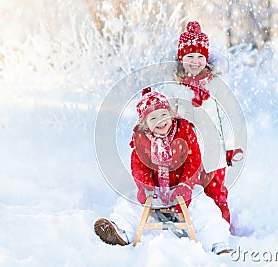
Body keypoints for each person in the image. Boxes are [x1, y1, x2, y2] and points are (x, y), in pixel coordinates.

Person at [94, 88, 233, 254]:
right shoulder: (142, 139)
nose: (160, 121)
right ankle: (121, 230)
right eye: (153, 118)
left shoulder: (184, 131)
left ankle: (217, 242)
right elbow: (138, 166)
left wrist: (186, 185)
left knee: (204, 206)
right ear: (145, 124)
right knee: (129, 202)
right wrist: (146, 187)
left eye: (163, 115)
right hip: (155, 189)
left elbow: (193, 160)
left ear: (171, 114)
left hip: (183, 187)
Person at [161, 21, 245, 226]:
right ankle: (190, 230)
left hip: (213, 152)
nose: (195, 61)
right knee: (187, 194)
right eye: (190, 56)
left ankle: (222, 230)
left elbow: (227, 118)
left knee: (215, 193)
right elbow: (163, 116)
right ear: (181, 59)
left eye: (200, 56)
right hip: (184, 154)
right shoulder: (172, 87)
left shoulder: (215, 85)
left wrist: (231, 147)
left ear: (206, 59)